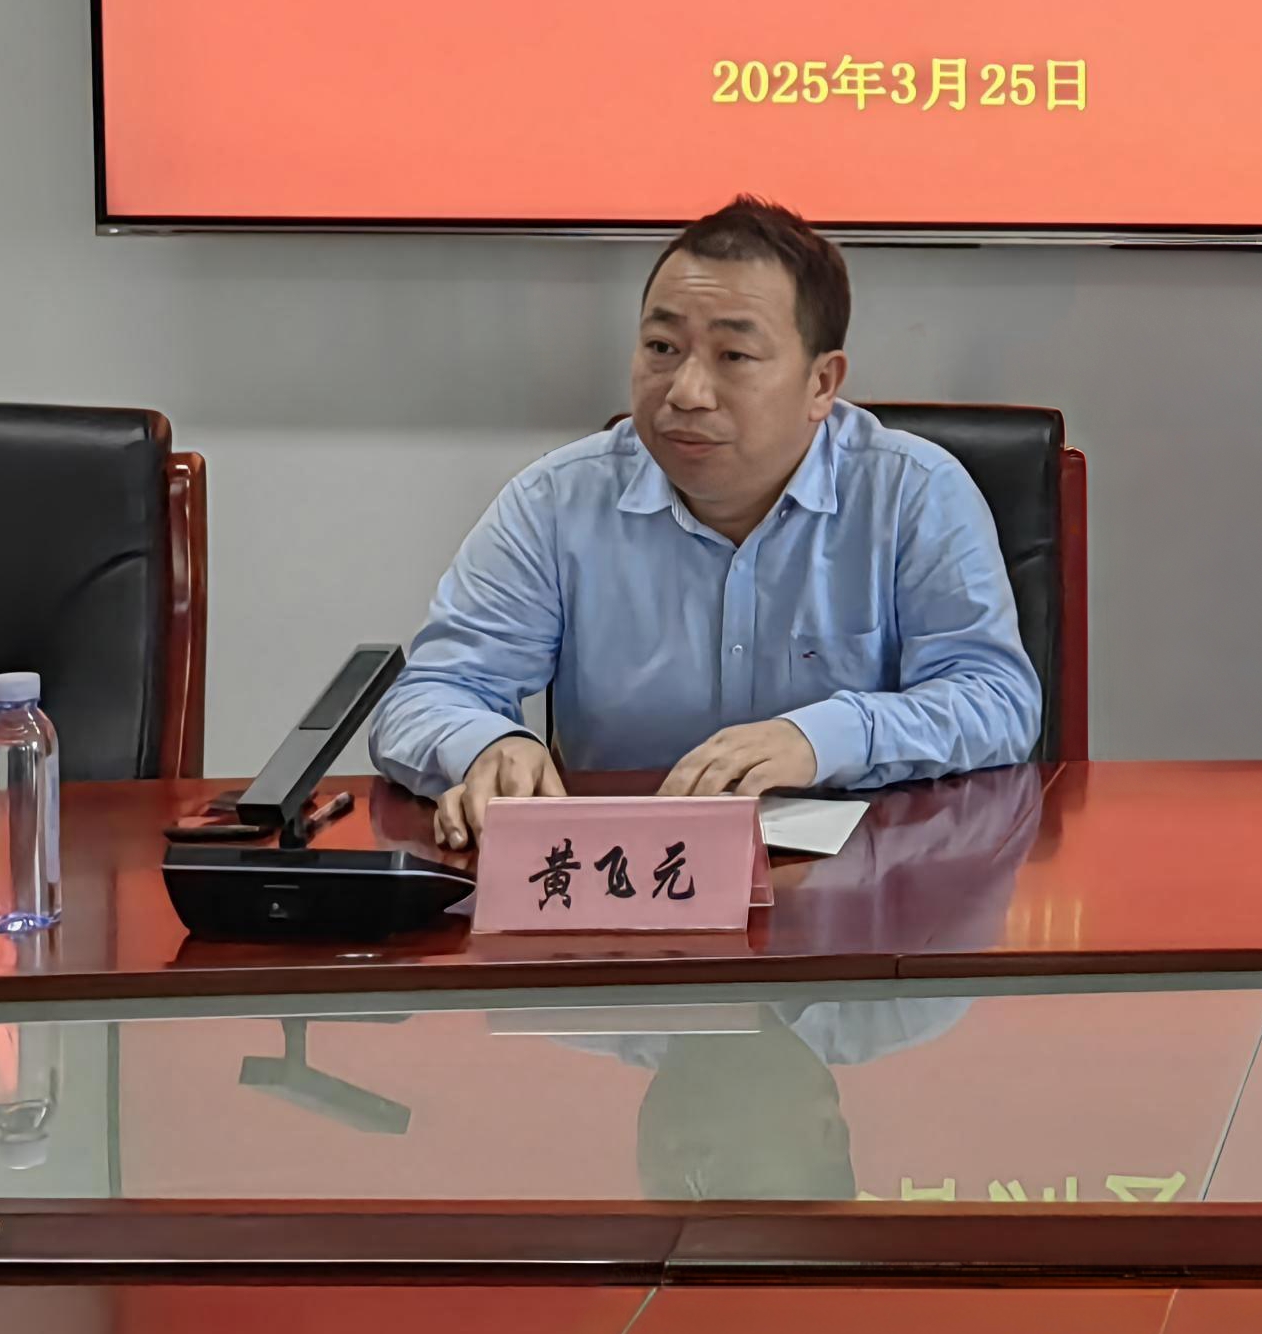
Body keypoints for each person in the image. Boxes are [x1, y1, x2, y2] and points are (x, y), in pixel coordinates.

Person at [374, 196, 1045, 847]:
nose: (686, 392)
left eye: (734, 357)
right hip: (627, 886)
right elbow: (428, 694)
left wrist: (824, 737)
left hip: (871, 884)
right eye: (662, 347)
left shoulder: (913, 493)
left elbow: (996, 700)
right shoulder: (557, 502)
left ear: (822, 384)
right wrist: (487, 746)